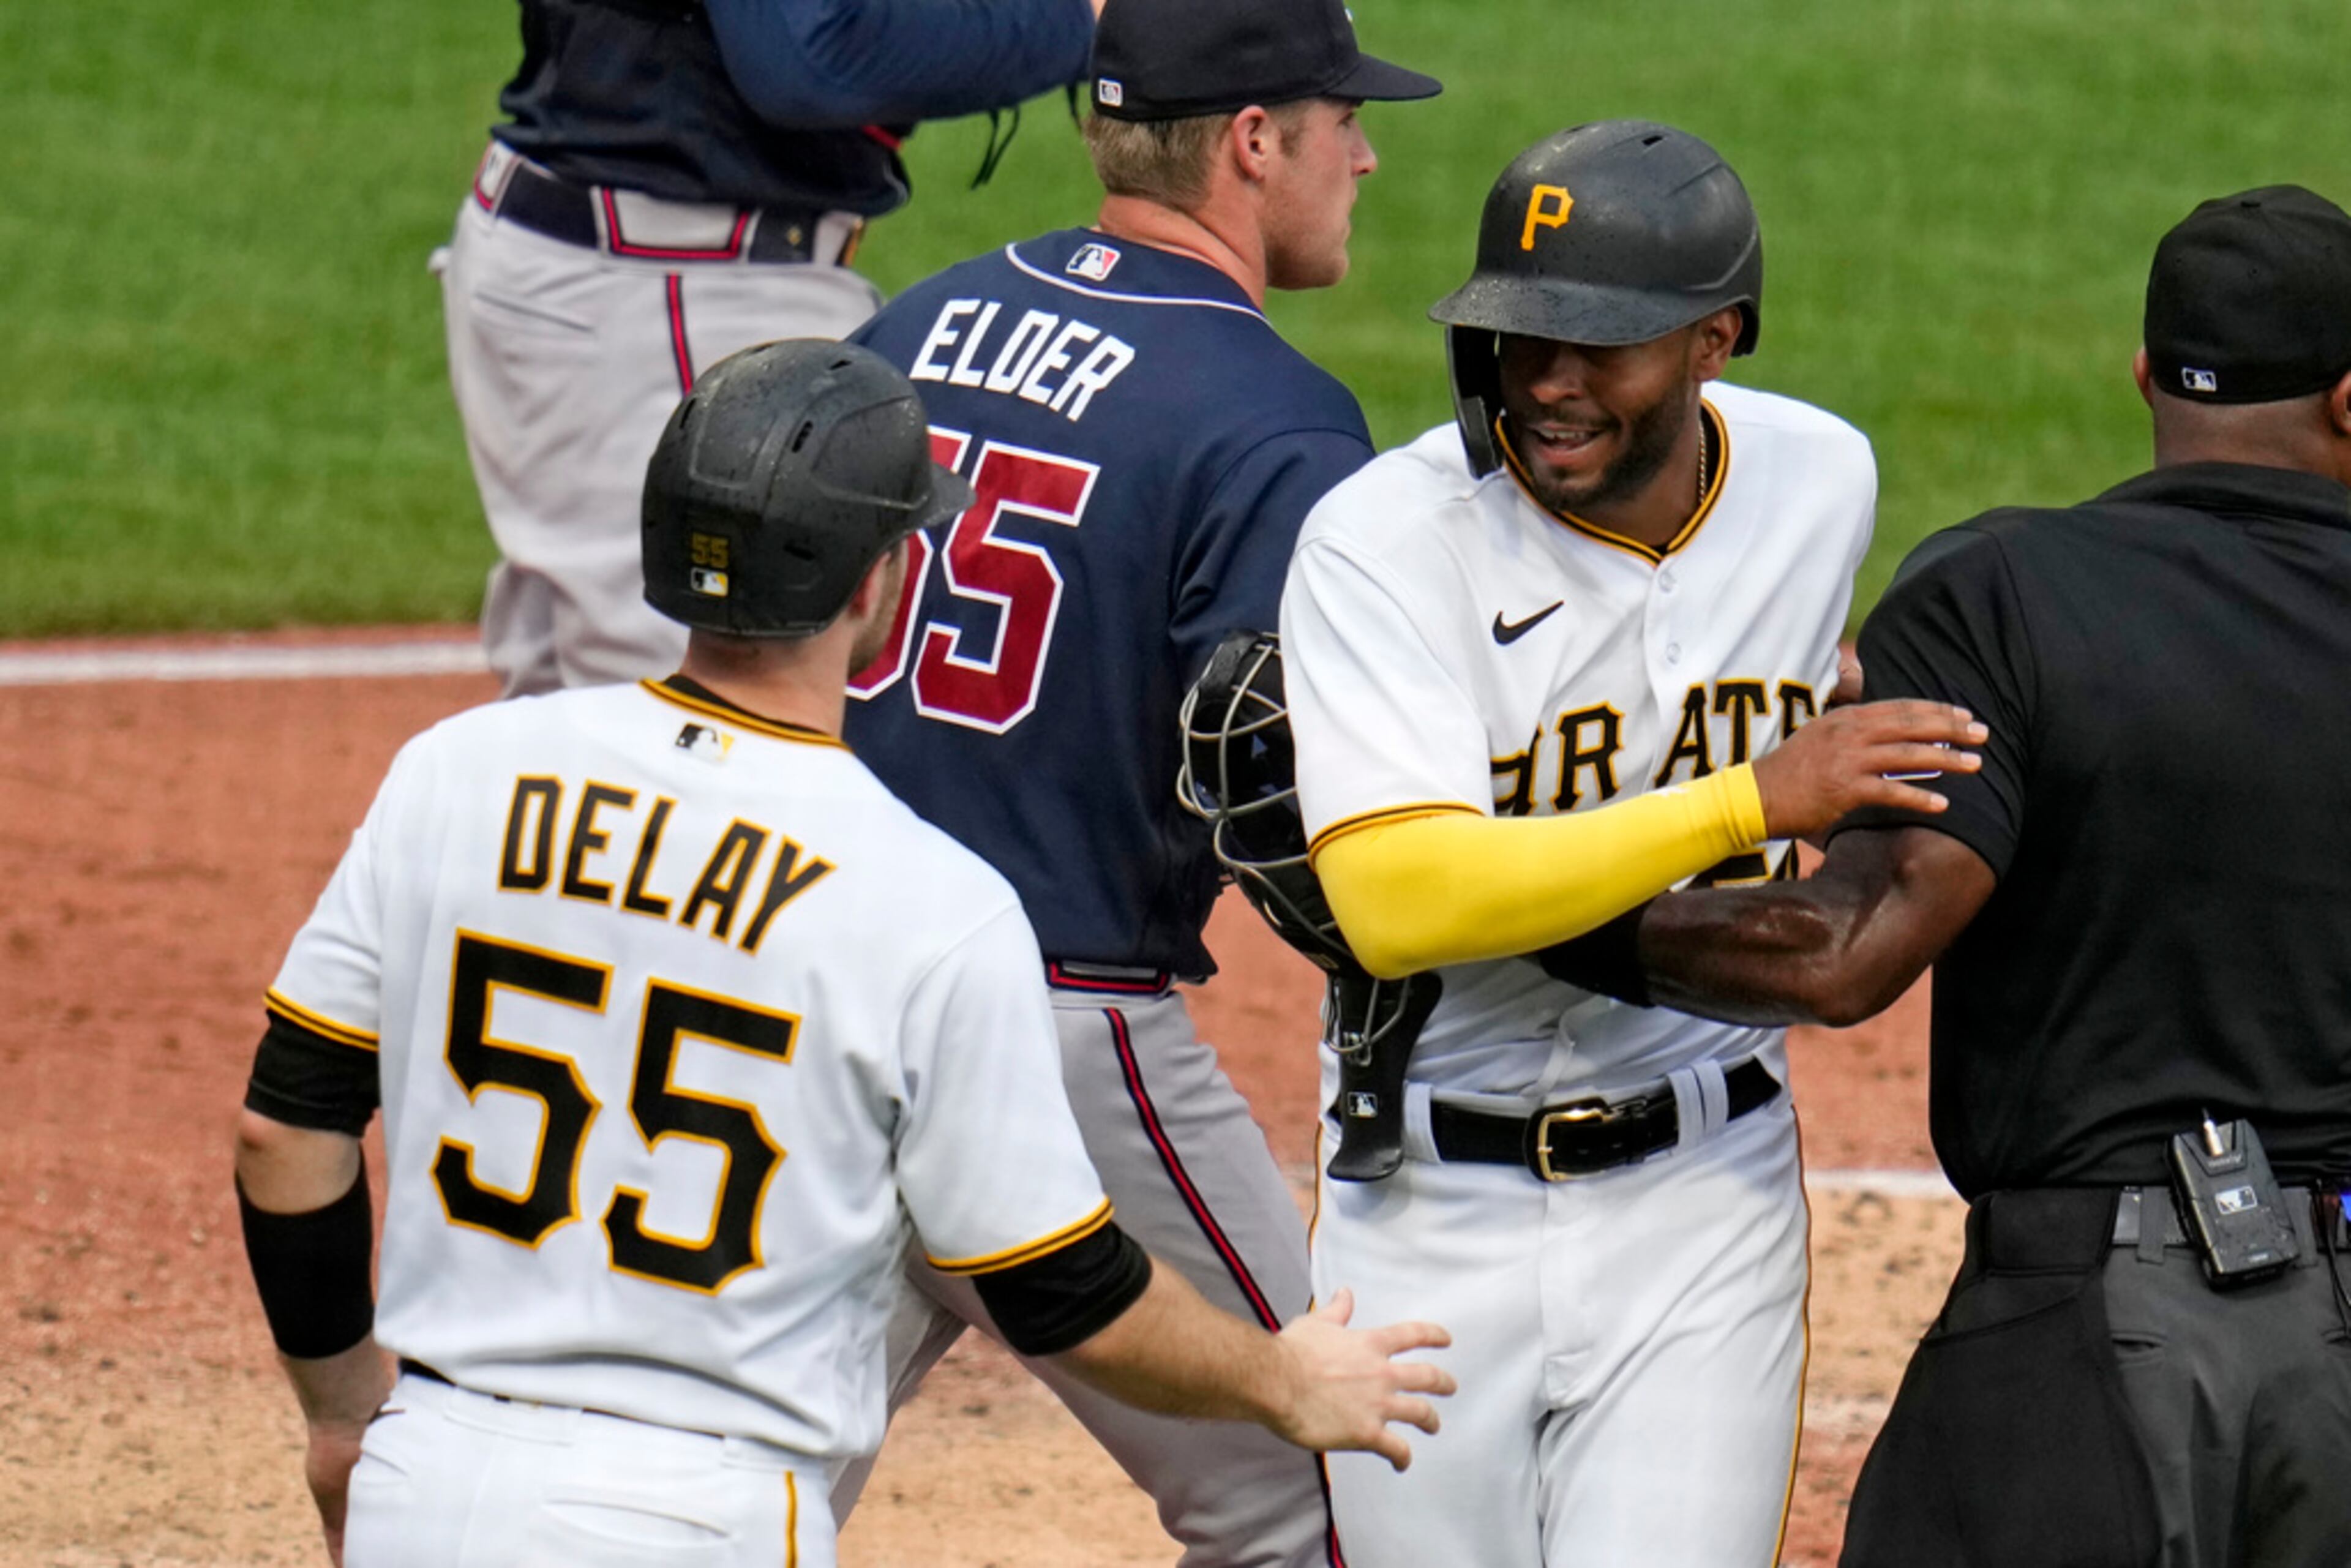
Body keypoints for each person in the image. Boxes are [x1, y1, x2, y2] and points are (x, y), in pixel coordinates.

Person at [232, 342, 1453, 1568]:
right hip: (694, 1517)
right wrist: (1284, 1376)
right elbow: (1061, 1291)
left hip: (422, 1477)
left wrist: (343, 1419)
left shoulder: (457, 769)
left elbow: (285, 1128)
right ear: (886, 577)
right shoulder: (931, 899)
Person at [1273, 121, 1986, 1567]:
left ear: (1716, 337)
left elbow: (1751, 657)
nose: (1546, 381)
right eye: (1515, 336)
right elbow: (1395, 898)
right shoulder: (1380, 542)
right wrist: (1743, 801)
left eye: (1600, 345)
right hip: (1424, 1212)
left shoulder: (1815, 482)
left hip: (1700, 1197)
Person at [1624, 186, 2351, 1568]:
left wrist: (1558, 920)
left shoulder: (2002, 595)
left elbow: (1842, 948)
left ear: (2142, 377)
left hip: (2085, 1344)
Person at [832, 0, 1438, 1560]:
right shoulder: (1276, 417)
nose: (1364, 154)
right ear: (1252, 143)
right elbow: (1264, 773)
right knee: (1326, 1484)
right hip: (1056, 1035)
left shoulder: (908, 325)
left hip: (815, 987)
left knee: (733, 1473)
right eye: (1339, 121)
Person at [443, 0, 1106, 697]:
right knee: (718, 706)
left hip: (600, 255)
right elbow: (809, 58)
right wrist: (1082, 20)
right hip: (669, 283)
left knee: (582, 723)